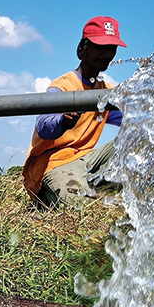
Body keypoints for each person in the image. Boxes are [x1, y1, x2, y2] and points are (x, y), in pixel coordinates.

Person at [22, 16, 125, 208]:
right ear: (83, 48)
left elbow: (133, 119)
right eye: (100, 47)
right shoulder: (63, 85)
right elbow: (44, 127)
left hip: (87, 160)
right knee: (78, 209)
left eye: (111, 48)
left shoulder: (106, 91)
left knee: (140, 138)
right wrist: (63, 121)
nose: (107, 53)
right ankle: (49, 195)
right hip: (55, 164)